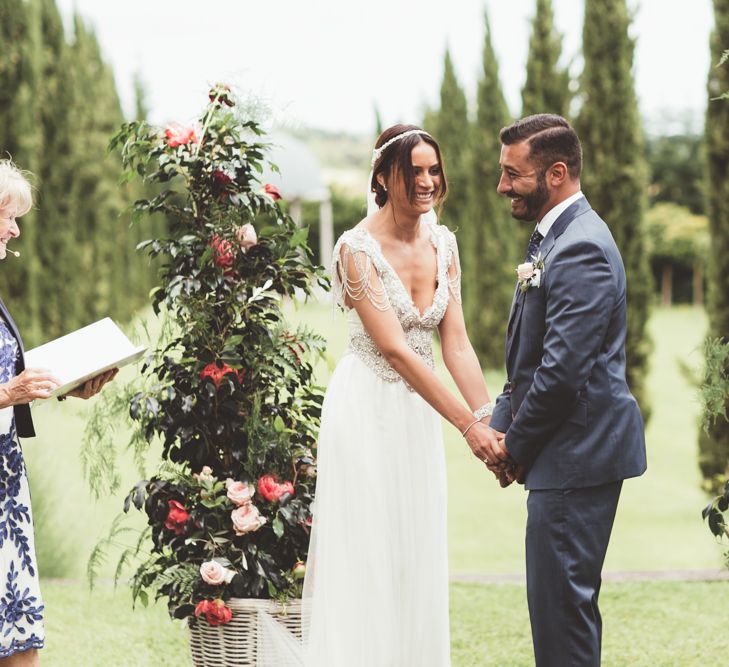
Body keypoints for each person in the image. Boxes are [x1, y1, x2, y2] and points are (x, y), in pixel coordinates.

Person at [302, 125, 506, 666]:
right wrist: (468, 428)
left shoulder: (445, 243)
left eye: (433, 170)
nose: (426, 181)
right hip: (365, 408)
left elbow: (456, 343)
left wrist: (491, 419)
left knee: (416, 548)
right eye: (413, 170)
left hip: (418, 414)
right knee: (368, 551)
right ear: (383, 177)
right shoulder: (356, 249)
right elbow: (395, 349)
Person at [488, 114, 647, 667]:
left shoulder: (579, 246)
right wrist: (498, 424)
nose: (502, 185)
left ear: (556, 173)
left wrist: (514, 446)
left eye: (513, 174)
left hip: (575, 456)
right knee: (557, 611)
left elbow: (560, 375)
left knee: (562, 618)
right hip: (565, 454)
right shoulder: (554, 236)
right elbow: (526, 358)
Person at [0, 160, 116, 666]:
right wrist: (9, 393)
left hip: (5, 489)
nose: (16, 227)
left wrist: (65, 387)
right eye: (7, 214)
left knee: (19, 635)